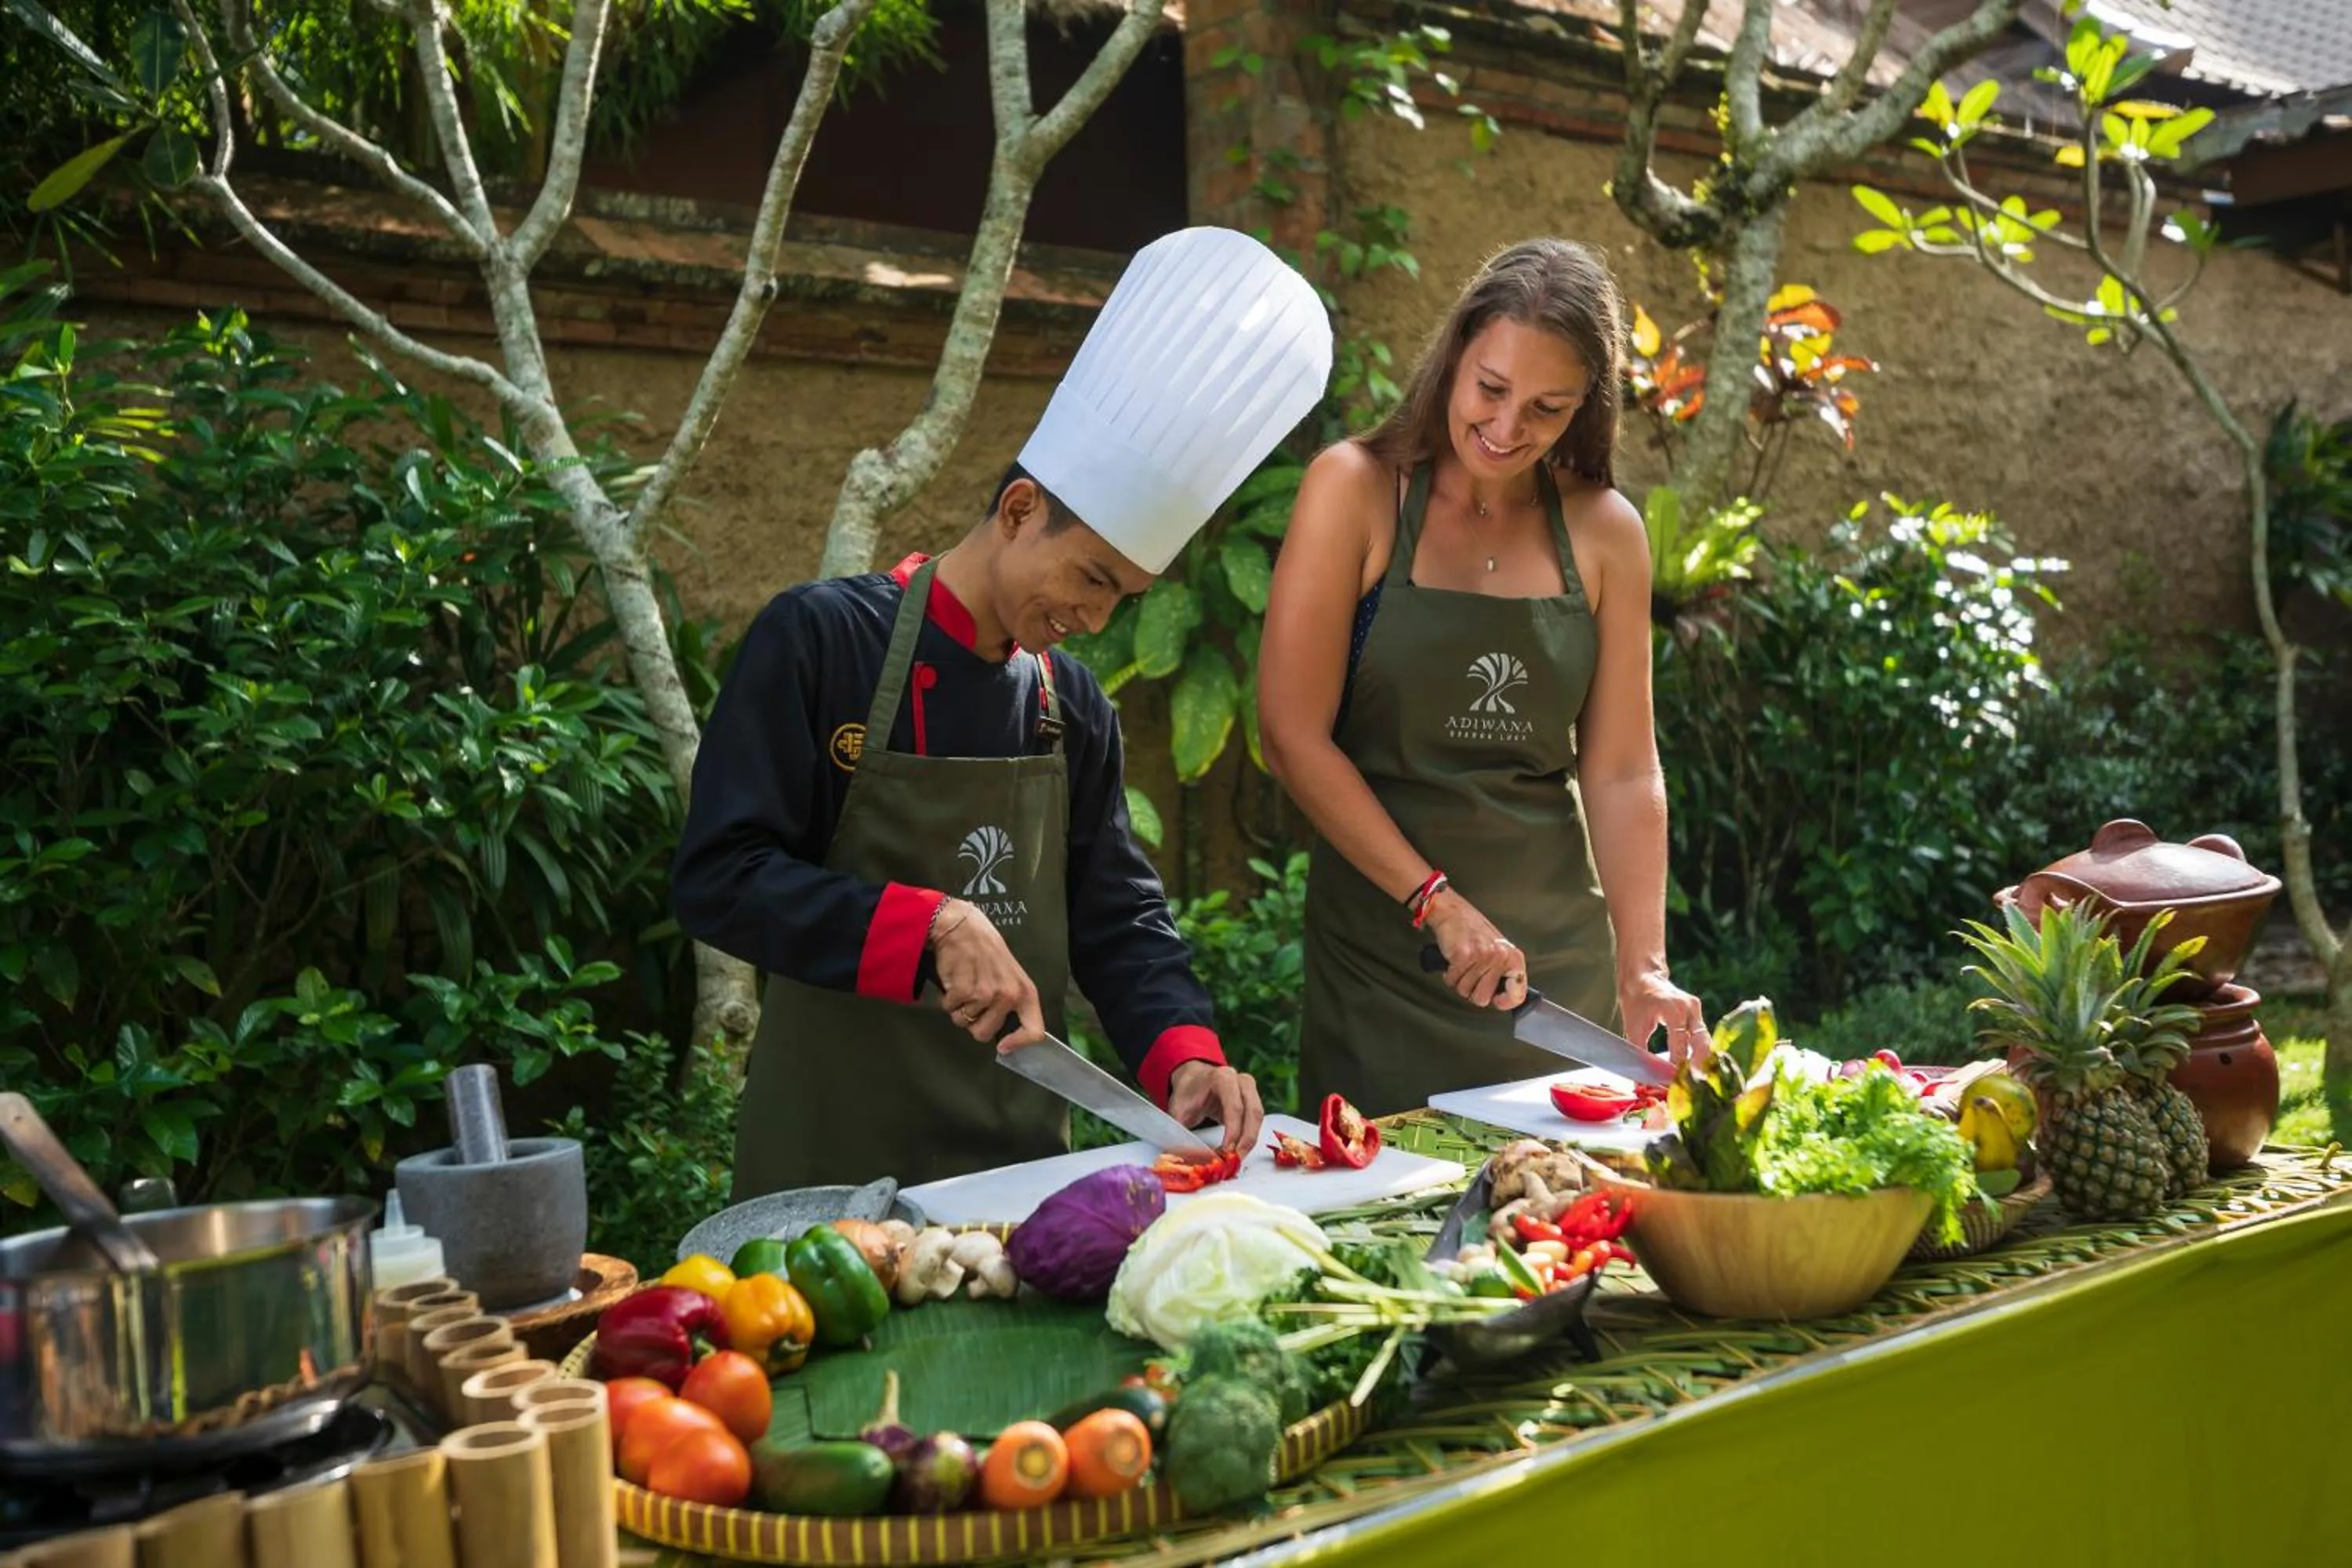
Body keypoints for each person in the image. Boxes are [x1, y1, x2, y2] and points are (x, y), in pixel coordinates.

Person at [673, 227, 1333, 1200]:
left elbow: (1117, 915)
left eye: (1126, 597)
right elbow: (720, 878)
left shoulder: (1072, 707)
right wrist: (929, 922)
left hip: (1022, 1170)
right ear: (1021, 508)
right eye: (1093, 577)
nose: (1097, 617)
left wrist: (1184, 1052)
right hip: (829, 1165)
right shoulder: (819, 642)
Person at [1257, 238, 1708, 1118]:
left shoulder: (1607, 531)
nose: (1507, 429)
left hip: (1557, 975)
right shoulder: (1354, 490)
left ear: (1587, 407)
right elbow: (1291, 734)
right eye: (1490, 390)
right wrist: (1434, 900)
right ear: (1453, 357)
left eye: (1547, 407)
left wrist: (1641, 964)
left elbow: (1620, 769)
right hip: (1386, 963)